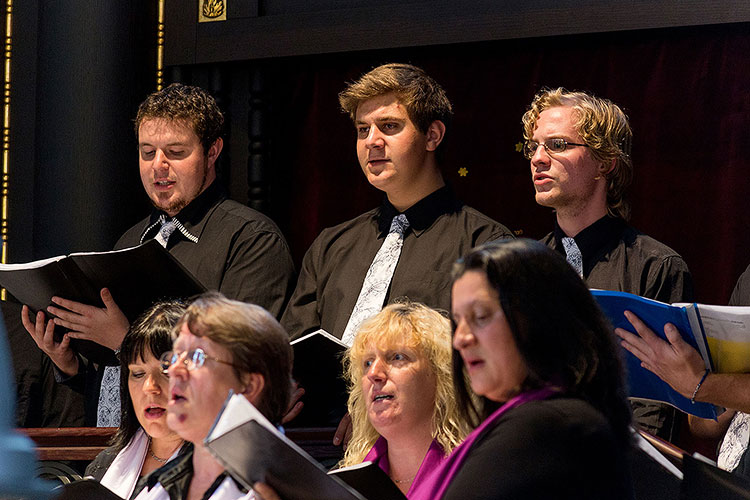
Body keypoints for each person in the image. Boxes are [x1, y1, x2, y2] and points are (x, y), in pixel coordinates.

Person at [254, 239, 633, 500]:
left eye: (480, 317)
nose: (462, 338)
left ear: (536, 320)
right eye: (459, 321)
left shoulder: (551, 422)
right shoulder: (533, 419)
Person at [22, 83, 296, 425]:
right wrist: (69, 363)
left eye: (176, 152)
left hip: (190, 444)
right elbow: (108, 379)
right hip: (112, 443)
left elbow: (239, 366)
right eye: (147, 152)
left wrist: (126, 341)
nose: (158, 166)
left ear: (213, 152)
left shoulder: (250, 239)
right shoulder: (130, 239)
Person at [281, 63, 513, 344]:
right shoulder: (330, 246)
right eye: (362, 129)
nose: (372, 141)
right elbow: (289, 355)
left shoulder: (485, 244)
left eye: (389, 126)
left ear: (432, 136)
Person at [522, 87, 694, 440]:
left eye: (557, 144)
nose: (538, 157)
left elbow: (660, 405)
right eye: (533, 146)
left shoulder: (656, 266)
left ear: (605, 161)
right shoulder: (522, 268)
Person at [135, 292, 292, 500]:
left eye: (195, 356)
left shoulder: (292, 490)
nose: (174, 370)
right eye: (174, 356)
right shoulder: (156, 486)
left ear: (248, 385)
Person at [615, 263, 750, 478]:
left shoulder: (660, 264)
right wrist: (702, 387)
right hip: (730, 474)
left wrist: (700, 385)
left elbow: (699, 387)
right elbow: (700, 425)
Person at [340, 301, 468, 496]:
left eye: (397, 357)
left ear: (442, 375)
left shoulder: (474, 473)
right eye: (367, 362)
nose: (374, 373)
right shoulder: (346, 485)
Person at [84, 300, 186, 499]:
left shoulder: (231, 474)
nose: (150, 387)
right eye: (138, 374)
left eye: (166, 372)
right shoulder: (105, 465)